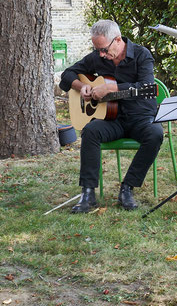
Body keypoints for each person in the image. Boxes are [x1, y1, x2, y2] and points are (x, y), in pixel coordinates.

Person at [59, 20, 163, 213]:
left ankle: (127, 187)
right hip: (112, 119)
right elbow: (67, 75)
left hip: (140, 117)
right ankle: (88, 193)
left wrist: (113, 87)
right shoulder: (98, 57)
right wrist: (83, 87)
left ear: (117, 40)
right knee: (90, 131)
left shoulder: (142, 55)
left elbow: (147, 88)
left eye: (104, 50)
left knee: (155, 134)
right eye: (97, 49)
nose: (101, 55)